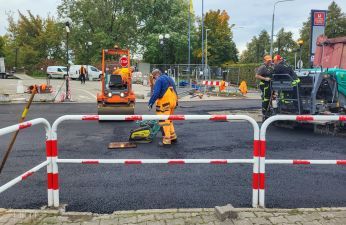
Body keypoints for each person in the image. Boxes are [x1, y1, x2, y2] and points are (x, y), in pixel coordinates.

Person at [148, 69, 178, 146]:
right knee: (169, 120)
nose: (154, 80)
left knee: (164, 121)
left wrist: (150, 103)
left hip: (165, 103)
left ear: (156, 75)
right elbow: (175, 90)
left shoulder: (159, 80)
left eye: (154, 78)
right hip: (173, 102)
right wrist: (176, 102)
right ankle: (173, 137)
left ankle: (166, 140)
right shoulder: (169, 78)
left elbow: (156, 93)